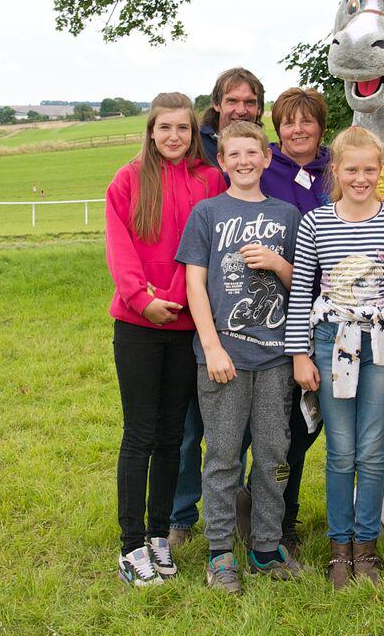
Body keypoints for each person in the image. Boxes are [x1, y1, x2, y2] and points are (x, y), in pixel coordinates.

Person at [285, 126, 384, 587]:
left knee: (372, 448)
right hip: (330, 345)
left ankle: (367, 548)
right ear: (336, 171)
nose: (360, 178)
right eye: (351, 169)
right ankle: (339, 547)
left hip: (383, 347)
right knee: (341, 451)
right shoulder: (316, 223)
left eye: (369, 169)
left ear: (379, 171)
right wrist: (299, 355)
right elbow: (302, 289)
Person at [105, 92, 227, 586]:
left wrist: (176, 299)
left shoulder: (209, 179)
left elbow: (205, 251)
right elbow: (120, 246)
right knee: (141, 434)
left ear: (193, 132)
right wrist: (141, 298)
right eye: (164, 128)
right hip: (138, 325)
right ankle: (131, 545)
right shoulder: (129, 180)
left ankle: (160, 536)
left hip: (186, 327)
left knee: (174, 438)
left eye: (182, 128)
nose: (173, 136)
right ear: (151, 131)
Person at [176, 121, 302, 594]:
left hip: (274, 359)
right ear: (222, 161)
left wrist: (278, 264)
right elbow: (194, 283)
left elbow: (304, 286)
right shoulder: (207, 213)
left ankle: (266, 547)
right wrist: (210, 346)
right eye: (235, 154)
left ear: (267, 158)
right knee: (224, 455)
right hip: (224, 356)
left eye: (254, 152)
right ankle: (220, 552)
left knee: (273, 454)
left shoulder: (288, 215)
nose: (245, 161)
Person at [169, 67, 265, 546]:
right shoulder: (196, 155)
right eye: (233, 100)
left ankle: (241, 512)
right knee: (191, 428)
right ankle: (182, 517)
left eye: (250, 102)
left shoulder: (262, 156)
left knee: (244, 432)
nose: (241, 108)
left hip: (250, 324)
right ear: (217, 105)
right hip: (197, 315)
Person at [233, 87, 331, 554]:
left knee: (310, 427)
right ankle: (274, 518)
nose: (297, 130)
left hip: (333, 311)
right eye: (288, 122)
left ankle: (267, 507)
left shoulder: (336, 169)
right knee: (283, 429)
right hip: (276, 314)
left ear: (320, 126)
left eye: (306, 121)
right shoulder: (264, 169)